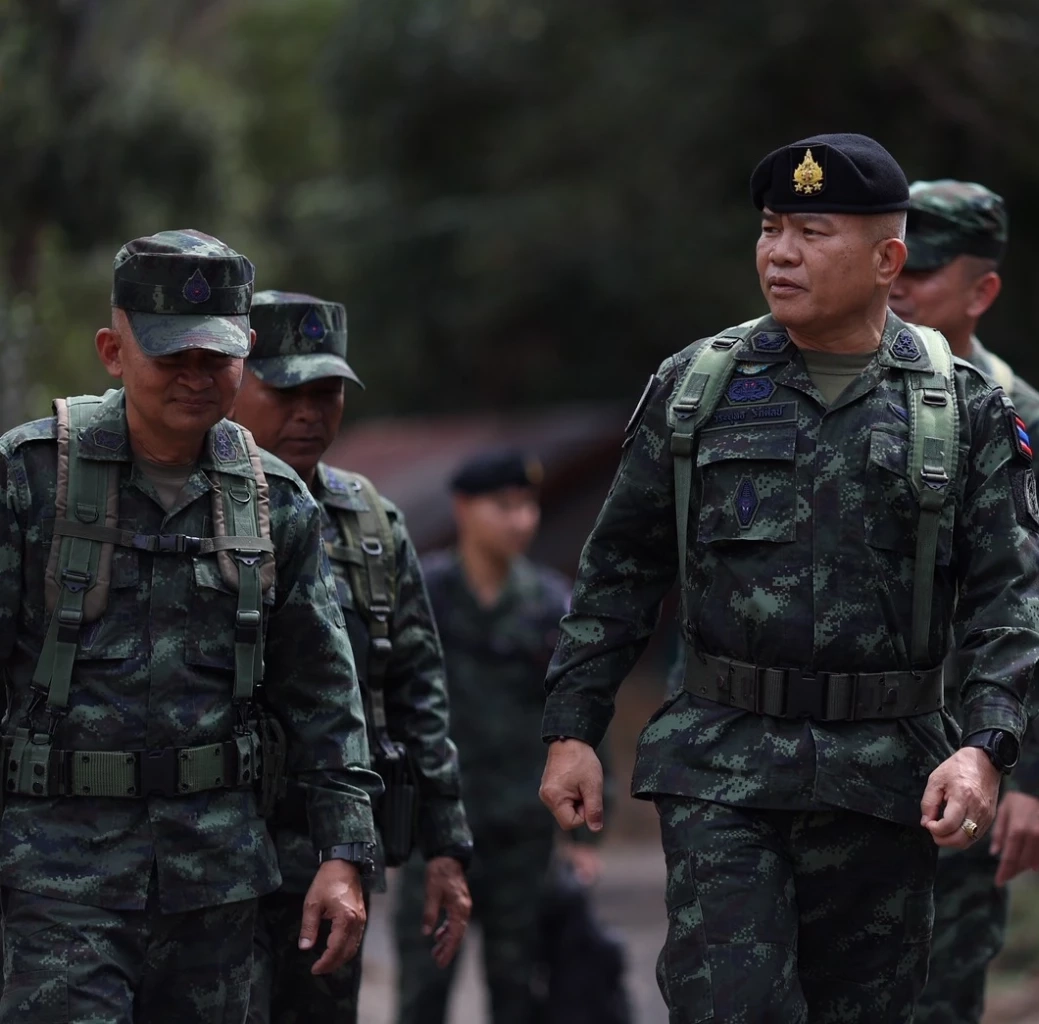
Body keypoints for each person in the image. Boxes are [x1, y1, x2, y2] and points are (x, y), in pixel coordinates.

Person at [538, 134, 1039, 1023]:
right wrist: (573, 728)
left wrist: (984, 748)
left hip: (888, 781)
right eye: (772, 228)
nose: (779, 253)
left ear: (888, 259)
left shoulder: (959, 408)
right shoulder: (698, 388)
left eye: (812, 232)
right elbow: (621, 566)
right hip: (723, 768)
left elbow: (1011, 600)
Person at [0, 230, 378, 1023]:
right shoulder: (32, 480)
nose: (197, 378)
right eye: (173, 357)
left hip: (221, 884)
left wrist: (344, 855)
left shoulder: (277, 501)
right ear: (113, 349)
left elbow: (323, 696)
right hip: (59, 883)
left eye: (217, 358)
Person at [889, 179, 1039, 1023]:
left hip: (964, 769)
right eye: (897, 261)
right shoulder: (833, 393)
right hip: (836, 763)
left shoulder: (1032, 433)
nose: (901, 284)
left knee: (938, 996)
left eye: (928, 270)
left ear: (982, 291)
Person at [230, 289, 474, 1023]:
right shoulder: (193, 500)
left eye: (327, 392)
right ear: (237, 382)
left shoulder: (370, 522)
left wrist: (446, 844)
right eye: (286, 391)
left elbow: (416, 688)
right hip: (208, 848)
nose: (308, 412)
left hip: (328, 850)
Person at [395, 449, 602, 1024]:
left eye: (528, 506)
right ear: (463, 508)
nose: (521, 520)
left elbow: (578, 715)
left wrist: (584, 840)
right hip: (435, 830)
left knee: (518, 993)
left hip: (520, 835)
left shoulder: (550, 603)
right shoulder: (424, 595)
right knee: (423, 990)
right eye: (504, 506)